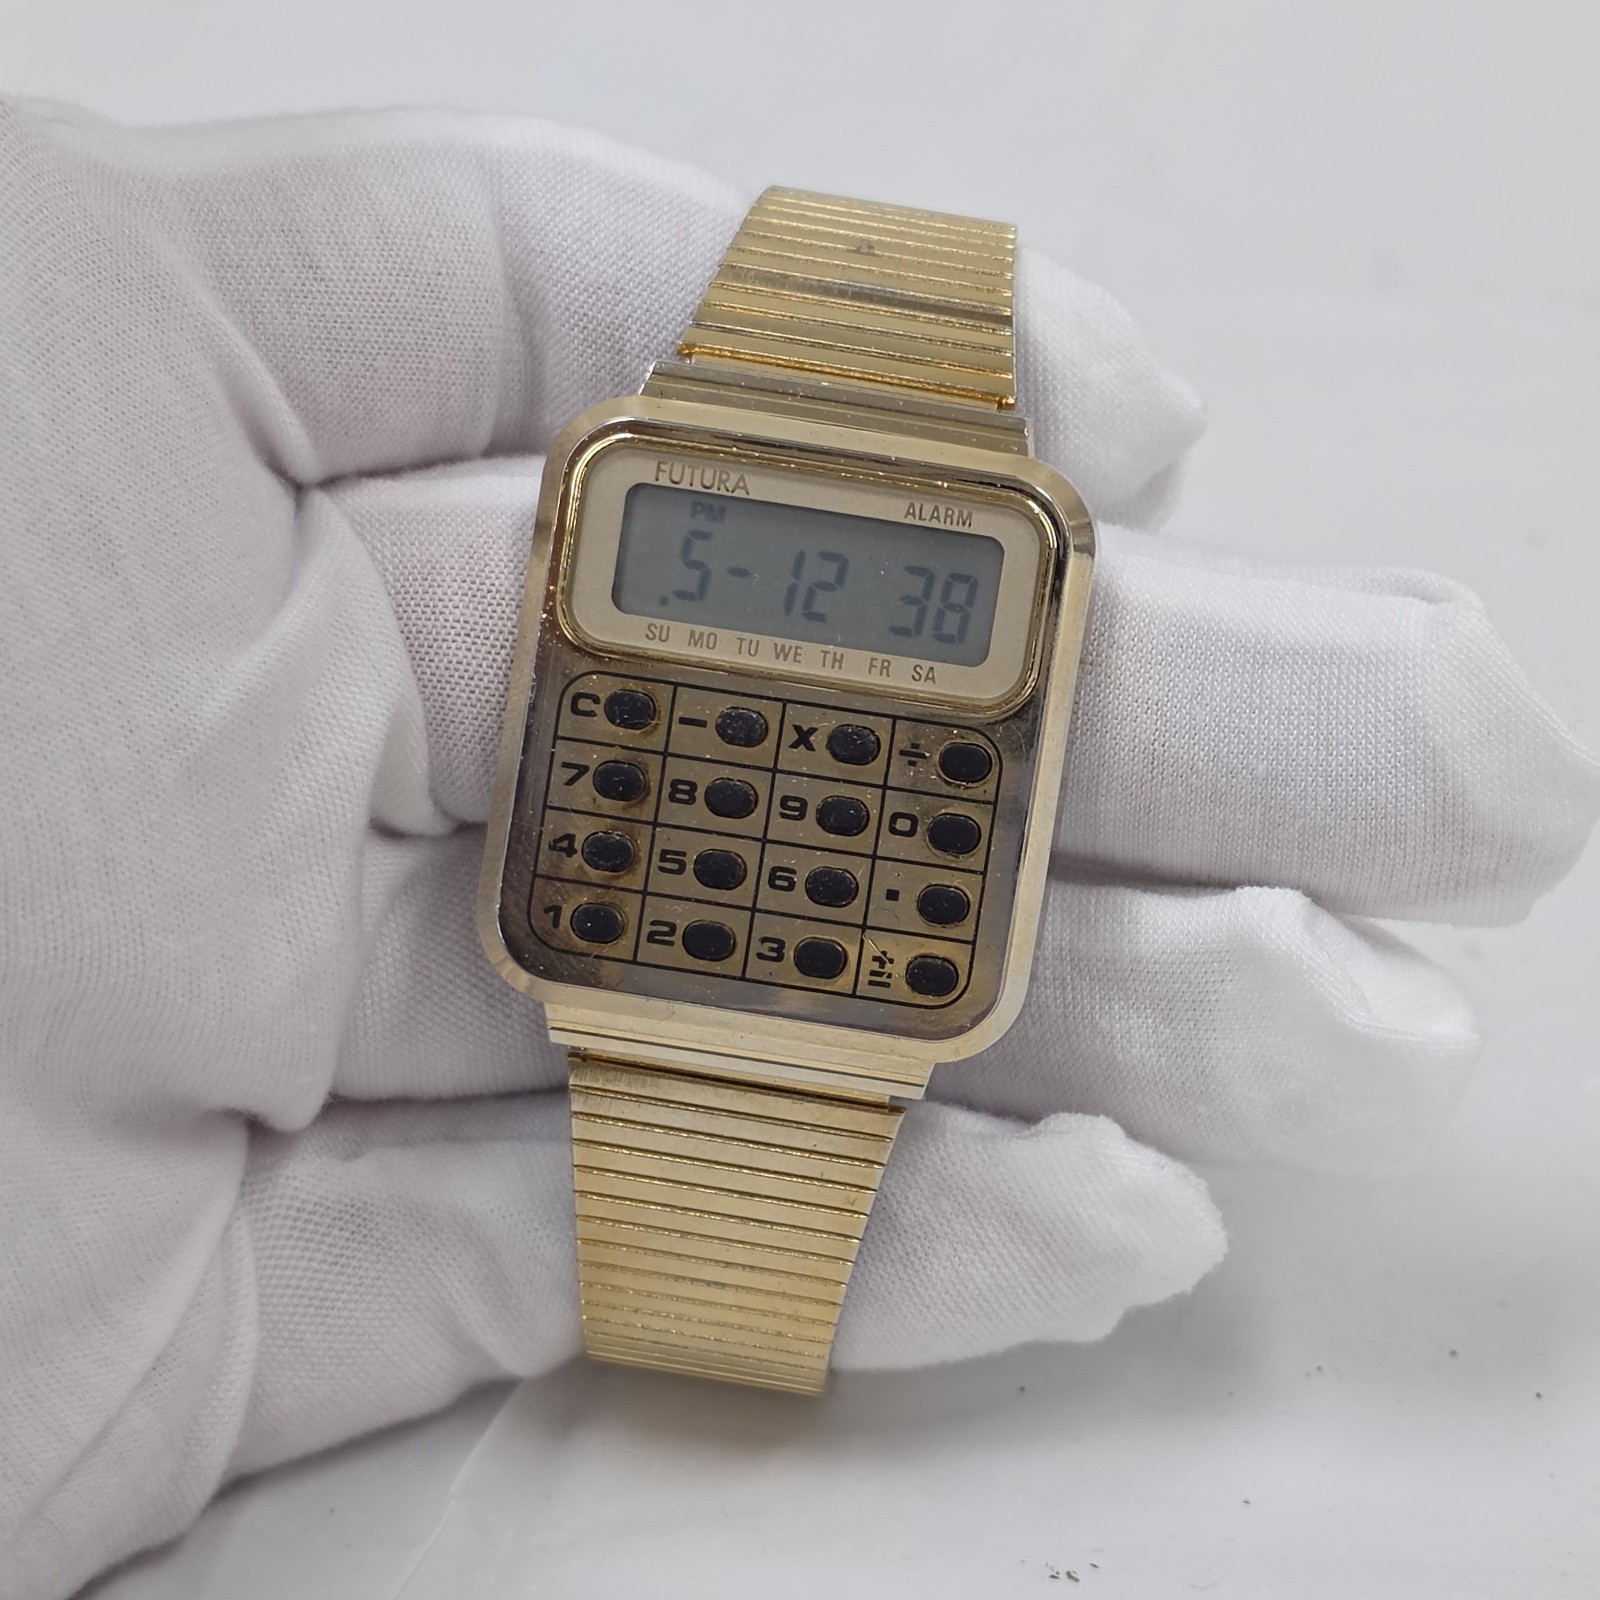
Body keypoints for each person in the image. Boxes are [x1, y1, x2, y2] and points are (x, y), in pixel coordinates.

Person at [1, 100, 1594, 1600]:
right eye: (706, 560)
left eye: (922, 602)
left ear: (1012, 590)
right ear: (601, 522)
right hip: (610, 961)